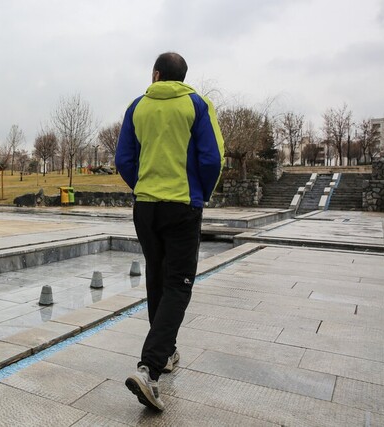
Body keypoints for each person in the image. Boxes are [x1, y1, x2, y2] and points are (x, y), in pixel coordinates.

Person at [116, 52, 224, 411]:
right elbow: (211, 159)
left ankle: (169, 350)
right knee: (179, 283)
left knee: (157, 279)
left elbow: (124, 160)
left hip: (145, 208)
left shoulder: (137, 106)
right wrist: (199, 195)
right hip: (182, 206)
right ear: (182, 77)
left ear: (156, 74)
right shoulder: (197, 104)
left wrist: (142, 186)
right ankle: (150, 368)